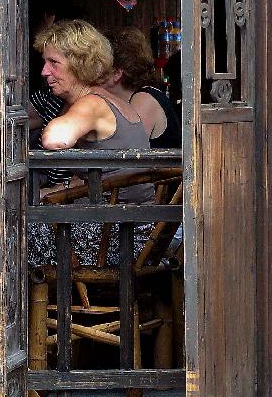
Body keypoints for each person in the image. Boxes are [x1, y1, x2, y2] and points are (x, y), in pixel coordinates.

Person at [29, 19, 153, 266]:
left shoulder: (91, 104)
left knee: (11, 230)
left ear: (79, 65)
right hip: (136, 230)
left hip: (117, 237)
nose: (44, 72)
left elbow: (55, 139)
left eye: (53, 63)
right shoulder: (111, 100)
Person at [103, 26, 181, 148]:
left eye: (98, 64)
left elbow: (127, 154)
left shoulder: (144, 99)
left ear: (116, 73)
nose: (92, 71)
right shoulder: (135, 97)